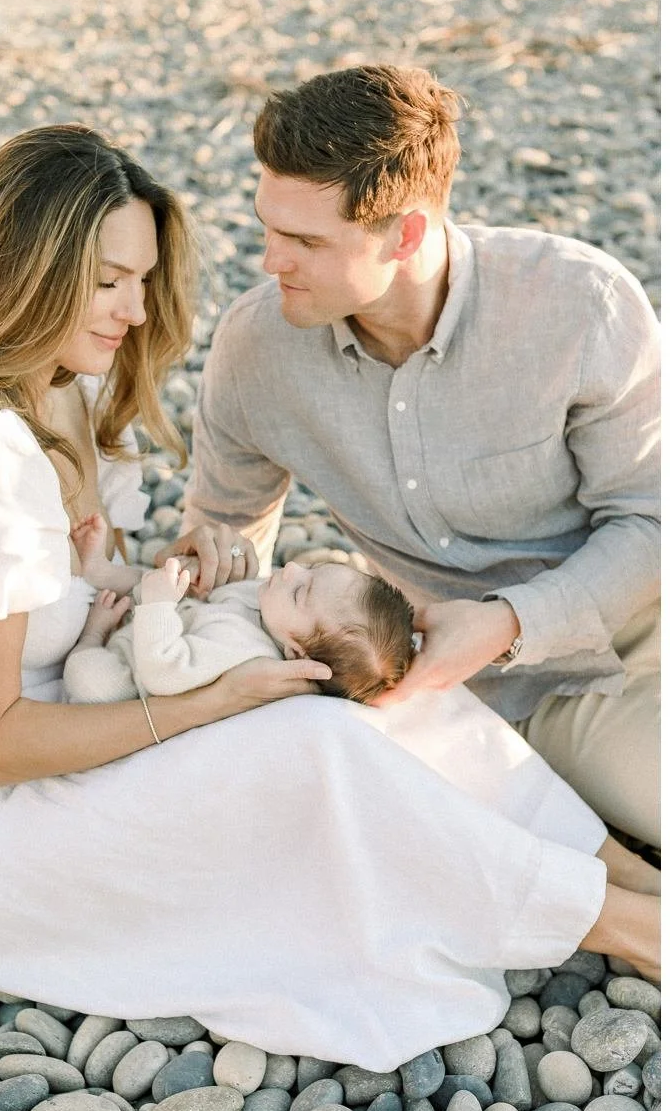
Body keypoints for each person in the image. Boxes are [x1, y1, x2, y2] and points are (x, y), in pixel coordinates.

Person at [0, 118, 657, 1063]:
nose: (132, 310)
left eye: (141, 280)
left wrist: (166, 577)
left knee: (388, 690)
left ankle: (612, 869)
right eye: (108, 281)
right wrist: (213, 700)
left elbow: (91, 599)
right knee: (313, 737)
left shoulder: (55, 392)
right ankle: (623, 928)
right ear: (25, 269)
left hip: (96, 721)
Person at [182, 59, 661, 856]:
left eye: (303, 239)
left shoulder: (579, 304)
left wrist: (508, 622)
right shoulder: (255, 348)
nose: (269, 261)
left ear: (405, 233)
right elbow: (225, 534)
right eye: (268, 226)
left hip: (642, 624)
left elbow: (651, 523)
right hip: (509, 696)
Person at [63, 543, 416, 706]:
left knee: (89, 682)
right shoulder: (272, 606)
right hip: (172, 620)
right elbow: (210, 596)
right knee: (167, 581)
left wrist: (158, 605)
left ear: (295, 651)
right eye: (312, 569)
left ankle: (93, 634)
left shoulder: (244, 652)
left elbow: (164, 673)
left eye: (300, 592)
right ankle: (101, 572)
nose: (292, 569)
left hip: (138, 670)